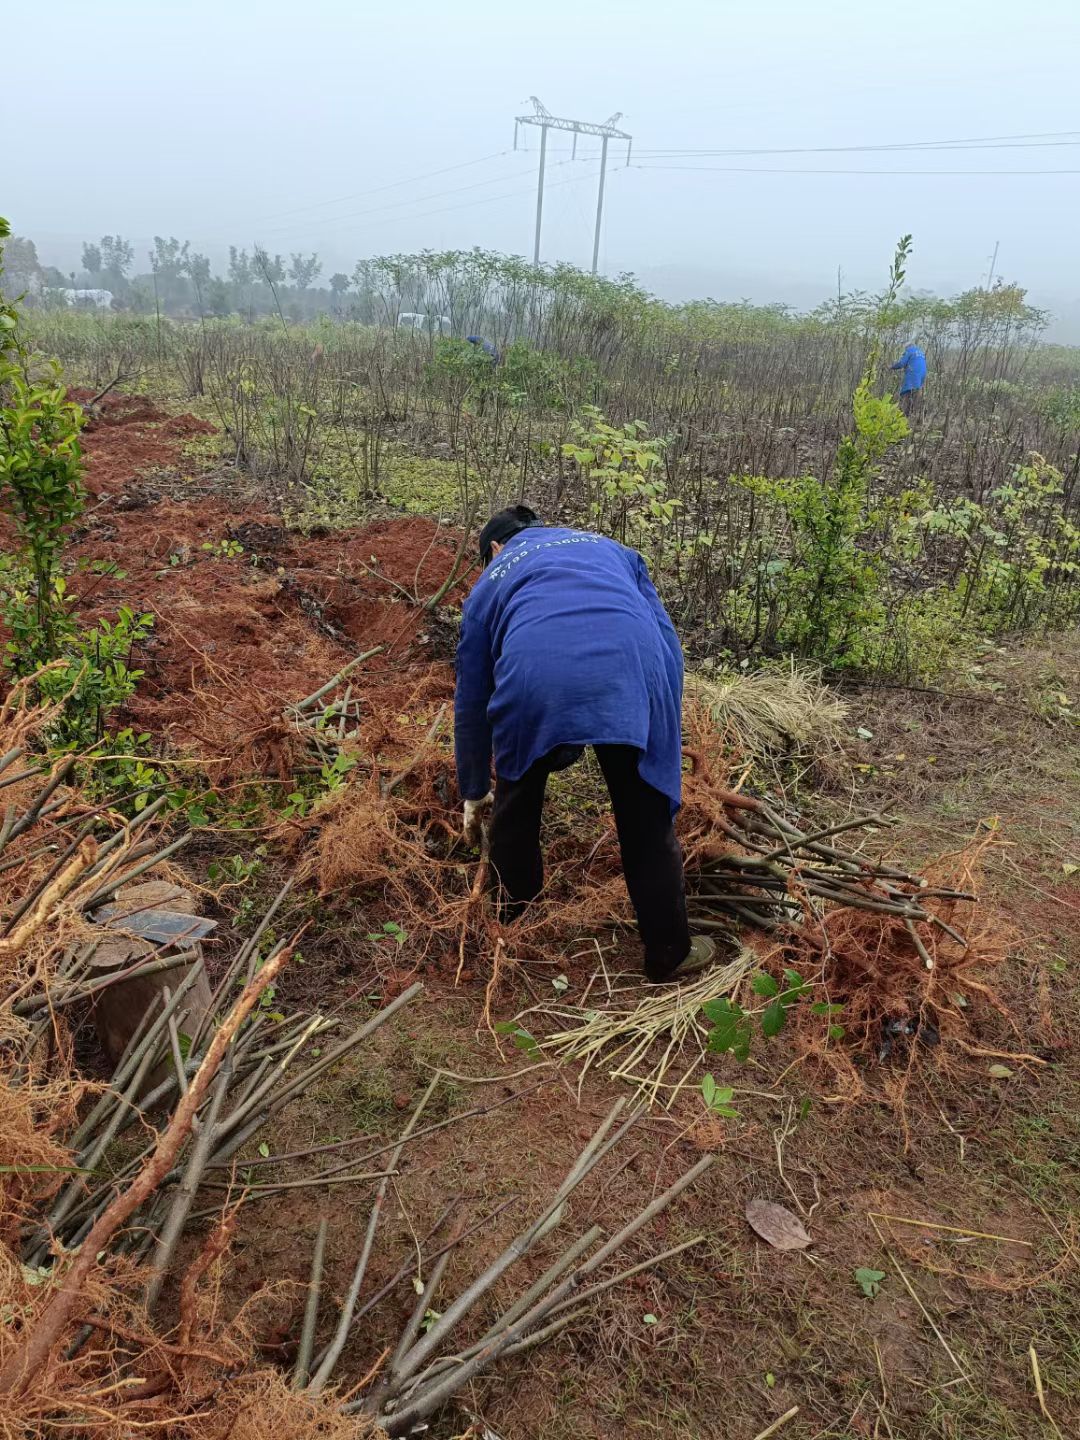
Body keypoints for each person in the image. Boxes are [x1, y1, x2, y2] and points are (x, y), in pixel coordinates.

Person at [453, 505, 714, 983]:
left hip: (535, 676)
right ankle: (668, 952)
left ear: (494, 550)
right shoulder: (611, 549)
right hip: (635, 668)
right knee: (644, 816)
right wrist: (658, 730)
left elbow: (472, 695)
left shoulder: (490, 582)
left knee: (517, 804)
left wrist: (474, 789)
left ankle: (513, 933)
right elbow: (668, 645)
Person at [890, 341, 927, 417]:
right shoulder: (920, 352)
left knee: (905, 394)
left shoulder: (909, 350)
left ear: (908, 347)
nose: (905, 349)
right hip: (922, 375)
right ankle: (914, 415)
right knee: (916, 395)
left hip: (913, 374)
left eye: (905, 348)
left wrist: (891, 367)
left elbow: (901, 363)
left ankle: (903, 416)